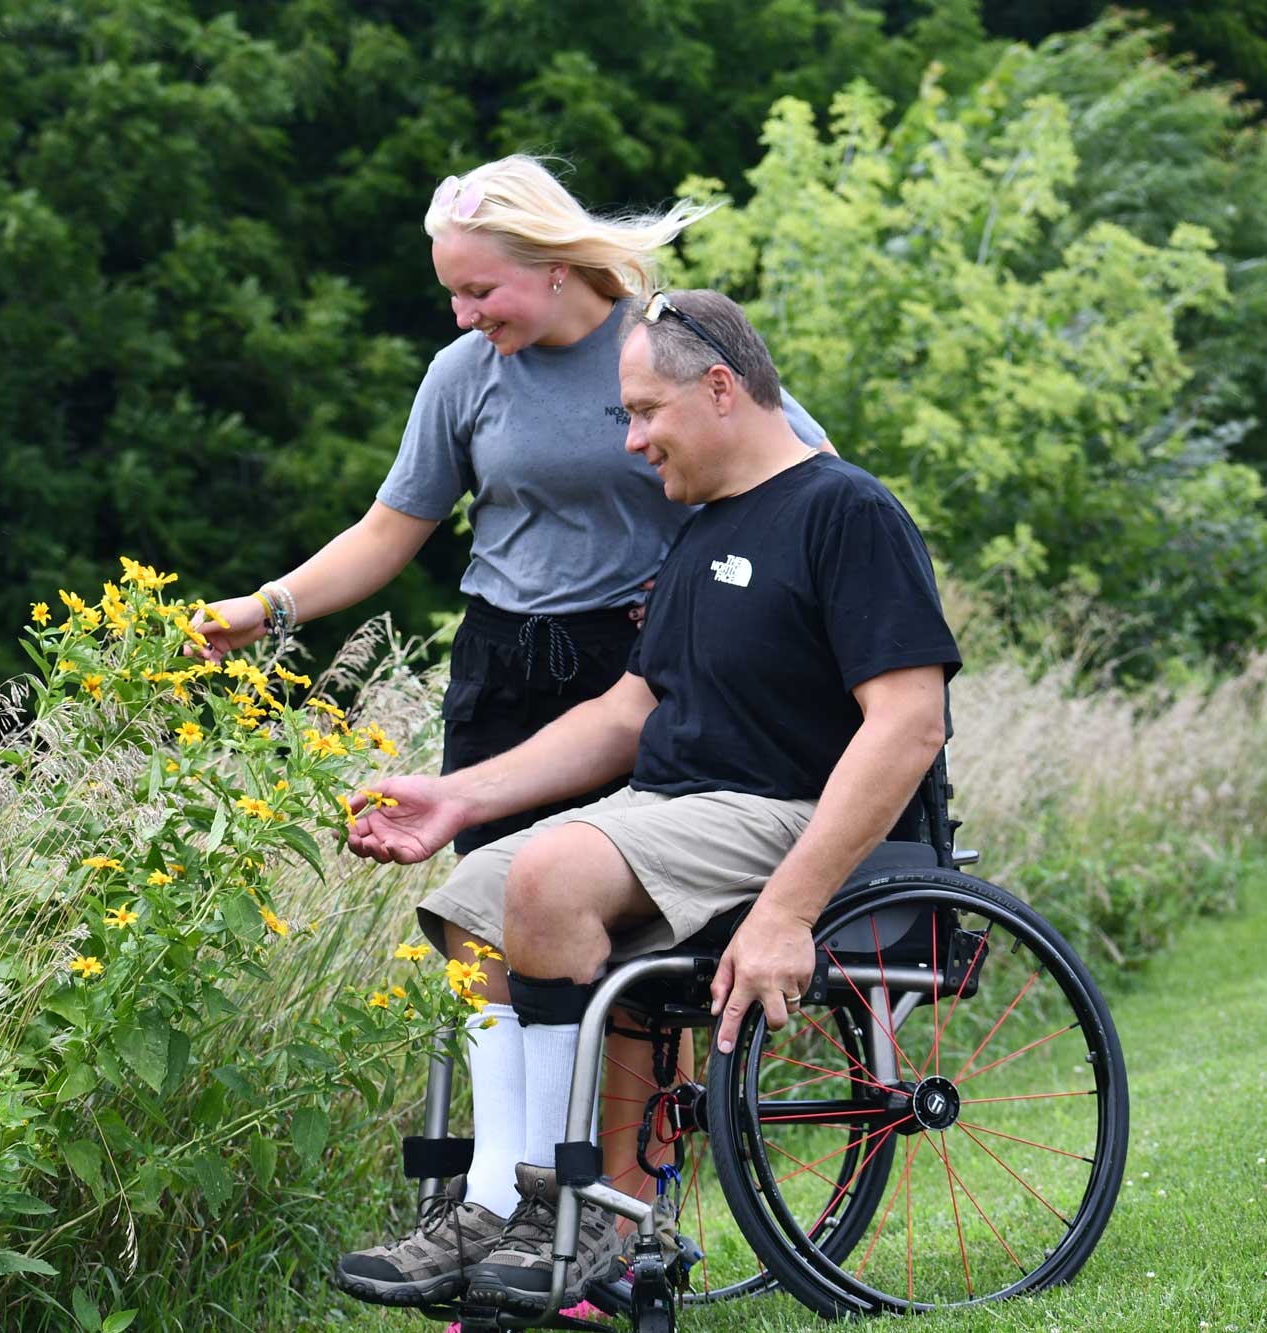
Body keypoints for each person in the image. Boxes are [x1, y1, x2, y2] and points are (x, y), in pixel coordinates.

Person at [190, 157, 831, 1246]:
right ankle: (496, 1202)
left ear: (549, 266)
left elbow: (791, 474)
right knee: (485, 925)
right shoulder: (461, 374)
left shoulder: (658, 352)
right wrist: (270, 608)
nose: (462, 311)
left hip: (632, 672)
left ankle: (610, 1215)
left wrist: (700, 591)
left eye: (480, 289)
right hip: (501, 671)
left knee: (617, 959)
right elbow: (391, 530)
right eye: (451, 291)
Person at [329, 289, 963, 1314]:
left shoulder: (846, 512)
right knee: (475, 892)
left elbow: (906, 724)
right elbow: (628, 713)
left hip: (787, 808)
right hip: (677, 809)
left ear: (719, 390)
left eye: (641, 413)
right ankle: (493, 1206)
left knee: (546, 873)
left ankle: (567, 1210)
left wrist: (790, 910)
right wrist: (456, 795)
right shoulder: (700, 536)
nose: (629, 443)